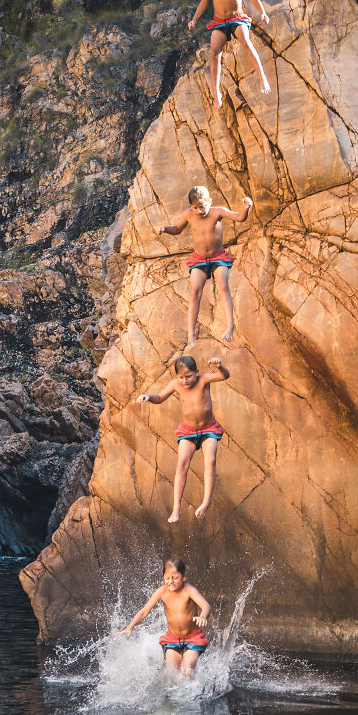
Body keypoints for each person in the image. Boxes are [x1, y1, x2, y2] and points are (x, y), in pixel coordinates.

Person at [138, 354, 230, 521]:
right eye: (181, 377)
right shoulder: (176, 384)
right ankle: (177, 508)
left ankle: (206, 502)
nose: (185, 380)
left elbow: (225, 376)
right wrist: (149, 397)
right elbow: (160, 398)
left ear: (197, 372)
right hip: (188, 431)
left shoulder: (204, 380)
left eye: (188, 376)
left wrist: (219, 366)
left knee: (210, 460)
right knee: (181, 464)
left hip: (209, 429)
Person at [158, 184, 252, 345]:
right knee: (194, 292)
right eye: (195, 208)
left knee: (223, 286)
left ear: (209, 201)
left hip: (218, 257)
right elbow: (178, 229)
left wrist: (247, 207)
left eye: (202, 206)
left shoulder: (218, 212)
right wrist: (165, 228)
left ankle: (230, 326)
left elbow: (239, 217)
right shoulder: (188, 215)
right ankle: (191, 335)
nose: (199, 211)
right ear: (191, 207)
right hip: (199, 259)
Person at [188, 0, 271, 108]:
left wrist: (262, 12)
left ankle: (263, 78)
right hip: (219, 21)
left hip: (237, 19)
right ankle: (216, 92)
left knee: (245, 42)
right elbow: (204, 1)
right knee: (214, 53)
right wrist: (195, 19)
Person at [118, 557, 211, 678]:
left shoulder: (189, 590)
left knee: (187, 670)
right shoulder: (161, 592)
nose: (170, 581)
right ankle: (175, 695)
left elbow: (206, 605)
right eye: (167, 578)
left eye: (175, 577)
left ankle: (192, 693)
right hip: (172, 639)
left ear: (183, 577)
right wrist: (130, 626)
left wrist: (203, 616)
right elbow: (144, 611)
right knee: (171, 672)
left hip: (193, 638)